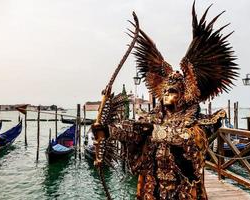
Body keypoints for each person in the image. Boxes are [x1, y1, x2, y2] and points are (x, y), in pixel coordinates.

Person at [92, 2, 238, 199]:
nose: (167, 95)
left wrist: (157, 131)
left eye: (173, 92)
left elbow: (189, 140)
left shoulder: (198, 121)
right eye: (165, 91)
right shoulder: (154, 118)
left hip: (182, 189)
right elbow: (136, 130)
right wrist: (108, 131)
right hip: (153, 187)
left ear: (183, 94)